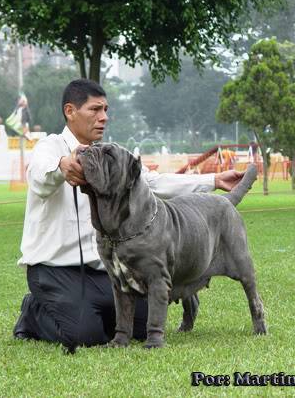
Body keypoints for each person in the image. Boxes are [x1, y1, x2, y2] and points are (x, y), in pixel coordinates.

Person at [13, 79, 246, 347]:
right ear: (70, 111)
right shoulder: (50, 147)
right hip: (54, 270)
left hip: (102, 269)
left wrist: (214, 181)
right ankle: (33, 311)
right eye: (95, 109)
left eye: (106, 110)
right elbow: (40, 176)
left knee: (139, 326)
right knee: (84, 334)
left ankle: (81, 308)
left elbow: (153, 181)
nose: (104, 117)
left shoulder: (111, 156)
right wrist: (62, 167)